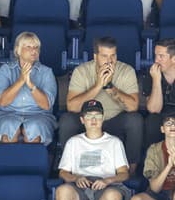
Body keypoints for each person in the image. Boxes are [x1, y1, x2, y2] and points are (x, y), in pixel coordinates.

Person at [59, 37, 142, 173]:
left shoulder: (126, 71)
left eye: (113, 56)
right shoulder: (82, 71)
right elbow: (72, 107)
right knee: (67, 120)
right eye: (104, 56)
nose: (109, 61)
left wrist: (109, 86)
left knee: (135, 120)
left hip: (115, 119)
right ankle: (67, 169)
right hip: (88, 119)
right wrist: (98, 85)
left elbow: (133, 107)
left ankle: (129, 173)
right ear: (95, 56)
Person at [55, 99, 130, 200]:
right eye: (89, 116)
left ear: (103, 118)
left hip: (106, 185)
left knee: (113, 196)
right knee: (62, 191)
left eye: (97, 116)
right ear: (82, 120)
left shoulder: (114, 142)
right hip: (80, 185)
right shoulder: (73, 142)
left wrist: (107, 180)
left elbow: (124, 173)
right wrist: (76, 178)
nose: (93, 120)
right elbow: (63, 173)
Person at [0, 31, 57, 145]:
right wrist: (21, 80)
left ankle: (32, 162)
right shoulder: (5, 70)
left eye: (36, 47)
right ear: (18, 50)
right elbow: (2, 102)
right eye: (28, 47)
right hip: (7, 113)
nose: (33, 50)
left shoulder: (46, 72)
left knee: (34, 127)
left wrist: (30, 84)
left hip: (39, 114)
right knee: (8, 126)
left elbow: (46, 105)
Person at [129, 112, 175, 200]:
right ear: (162, 129)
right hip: (159, 192)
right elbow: (155, 188)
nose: (172, 126)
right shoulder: (154, 150)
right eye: (168, 123)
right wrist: (169, 166)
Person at [144, 39, 175, 148]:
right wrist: (156, 80)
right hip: (161, 114)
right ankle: (153, 160)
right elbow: (154, 109)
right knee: (152, 121)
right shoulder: (151, 74)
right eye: (156, 55)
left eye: (161, 56)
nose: (156, 60)